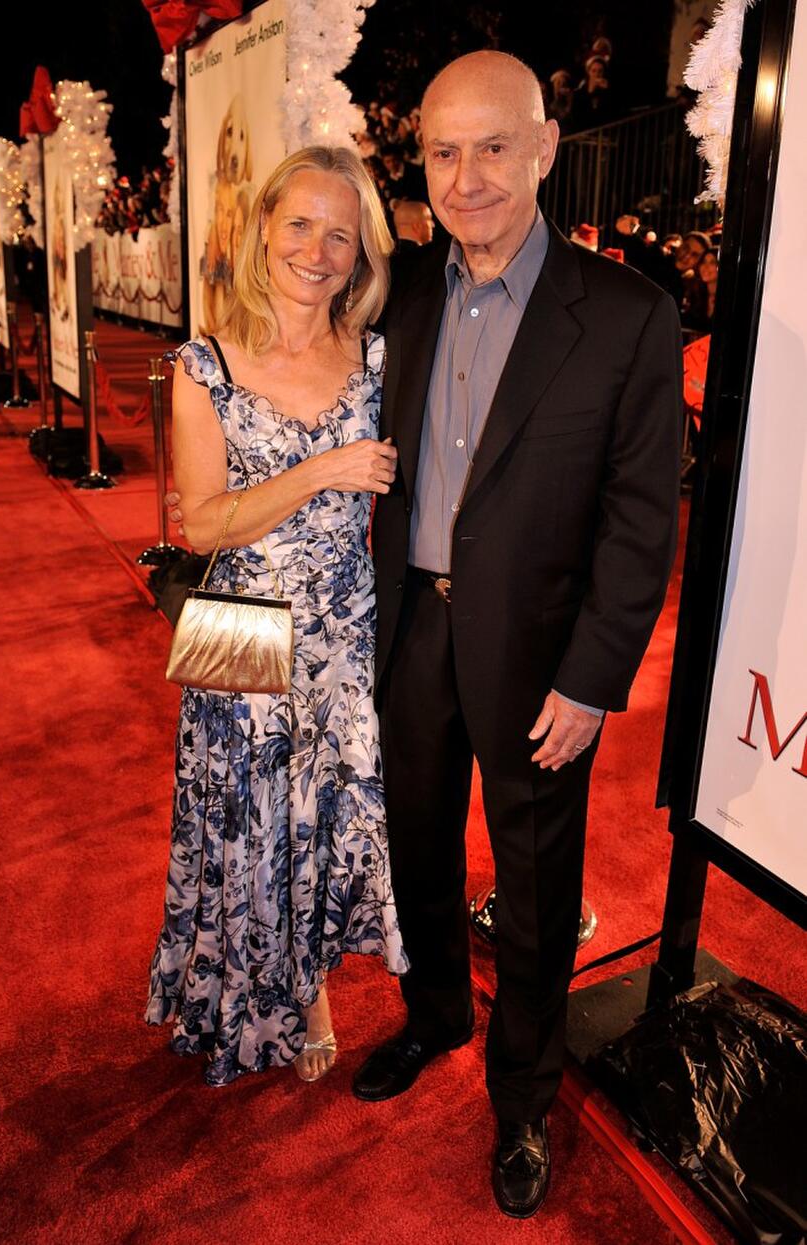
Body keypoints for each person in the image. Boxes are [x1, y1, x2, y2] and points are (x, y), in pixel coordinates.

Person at [352, 51, 681, 1219]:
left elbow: (642, 524)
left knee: (537, 885)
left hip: (544, 658)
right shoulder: (399, 296)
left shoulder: (628, 317)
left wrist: (594, 678)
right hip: (410, 635)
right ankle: (436, 1013)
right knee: (416, 846)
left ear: (544, 148)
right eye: (444, 151)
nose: (468, 175)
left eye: (495, 146)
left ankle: (522, 1100)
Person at [146, 145, 407, 1088]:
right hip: (238, 620)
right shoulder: (204, 362)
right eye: (300, 223)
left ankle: (308, 983)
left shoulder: (379, 358)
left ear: (362, 254)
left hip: (343, 627)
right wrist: (322, 470)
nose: (317, 248)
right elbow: (205, 520)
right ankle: (266, 997)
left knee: (325, 816)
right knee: (248, 821)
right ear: (262, 226)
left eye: (341, 233)